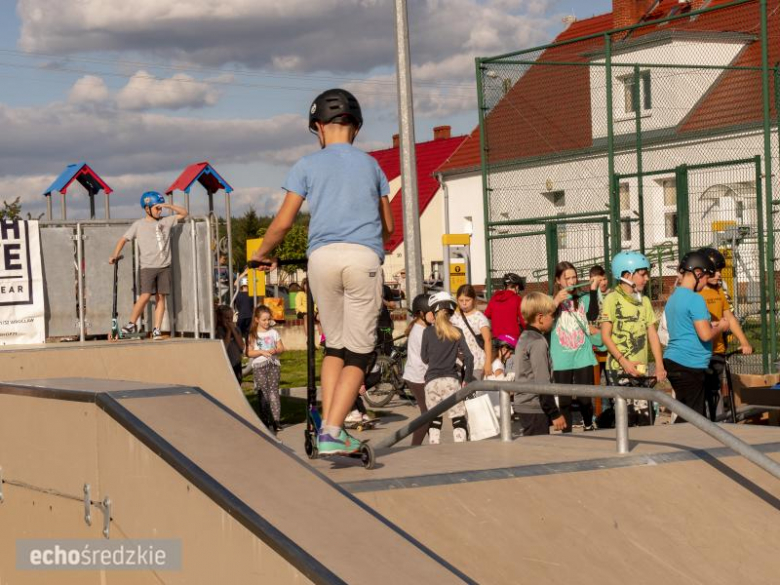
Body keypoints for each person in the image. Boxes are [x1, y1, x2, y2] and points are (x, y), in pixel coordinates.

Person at [250, 88, 393, 456]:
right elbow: (389, 225)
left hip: (322, 260)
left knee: (335, 348)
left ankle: (330, 424)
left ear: (318, 127)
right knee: (360, 355)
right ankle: (332, 429)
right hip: (362, 260)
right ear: (356, 128)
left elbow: (282, 223)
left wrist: (262, 254)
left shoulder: (306, 165)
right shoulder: (373, 166)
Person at [109, 191, 188, 339]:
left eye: (160, 208)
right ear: (147, 209)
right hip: (148, 267)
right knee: (145, 295)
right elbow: (123, 239)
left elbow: (184, 213)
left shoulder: (166, 221)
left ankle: (157, 329)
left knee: (161, 297)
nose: (160, 211)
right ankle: (131, 323)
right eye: (157, 208)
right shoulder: (139, 225)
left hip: (164, 266)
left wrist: (167, 205)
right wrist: (114, 254)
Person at [663, 251, 730, 420]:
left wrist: (709, 325)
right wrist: (721, 326)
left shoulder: (674, 297)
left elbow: (685, 326)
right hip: (689, 365)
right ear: (698, 273)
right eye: (706, 277)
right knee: (694, 419)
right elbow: (706, 336)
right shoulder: (696, 299)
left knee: (687, 413)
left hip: (674, 361)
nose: (706, 282)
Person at [697, 247, 753, 420]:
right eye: (716, 271)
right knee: (700, 393)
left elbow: (730, 318)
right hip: (699, 351)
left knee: (715, 391)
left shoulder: (719, 291)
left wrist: (744, 342)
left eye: (720, 271)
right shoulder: (695, 293)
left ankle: (715, 422)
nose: (719, 275)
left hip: (717, 349)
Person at [600, 252, 666, 390]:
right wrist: (624, 363)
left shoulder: (645, 301)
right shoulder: (612, 299)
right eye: (642, 274)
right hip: (618, 366)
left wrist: (659, 365)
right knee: (622, 411)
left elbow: (653, 335)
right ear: (627, 275)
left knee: (642, 411)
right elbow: (605, 336)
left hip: (640, 367)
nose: (647, 278)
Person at [550, 261, 600, 431]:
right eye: (567, 278)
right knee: (564, 400)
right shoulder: (551, 300)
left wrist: (593, 291)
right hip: (561, 356)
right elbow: (545, 319)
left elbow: (593, 314)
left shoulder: (582, 298)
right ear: (558, 280)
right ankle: (567, 432)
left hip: (582, 354)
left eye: (574, 277)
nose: (572, 281)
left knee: (584, 397)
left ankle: (588, 424)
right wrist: (556, 301)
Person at [421, 291, 474, 444]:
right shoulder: (457, 332)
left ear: (434, 312)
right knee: (458, 419)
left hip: (432, 382)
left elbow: (424, 358)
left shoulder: (427, 332)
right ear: (451, 312)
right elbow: (469, 357)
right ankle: (461, 450)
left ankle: (434, 450)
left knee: (434, 420)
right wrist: (467, 380)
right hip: (452, 381)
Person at [513, 292, 567, 436]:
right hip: (534, 405)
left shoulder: (525, 336)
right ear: (540, 318)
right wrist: (554, 413)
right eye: (551, 315)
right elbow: (542, 382)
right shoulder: (537, 342)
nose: (554, 318)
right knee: (537, 450)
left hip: (525, 403)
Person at [402, 293, 435, 445]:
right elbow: (426, 357)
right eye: (432, 312)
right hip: (418, 378)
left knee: (430, 412)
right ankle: (415, 446)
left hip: (417, 375)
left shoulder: (422, 328)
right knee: (427, 414)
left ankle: (432, 442)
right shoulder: (421, 332)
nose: (435, 315)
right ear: (421, 314)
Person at [246, 305, 285, 433]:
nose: (267, 322)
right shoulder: (253, 334)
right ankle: (265, 420)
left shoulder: (274, 332)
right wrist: (262, 352)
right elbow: (249, 353)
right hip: (259, 366)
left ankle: (276, 420)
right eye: (264, 320)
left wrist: (276, 350)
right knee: (263, 393)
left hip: (273, 365)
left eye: (268, 319)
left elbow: (281, 348)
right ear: (257, 320)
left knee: (274, 392)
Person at [451, 284, 493, 379]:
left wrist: (488, 363)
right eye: (461, 300)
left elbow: (488, 340)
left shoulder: (479, 317)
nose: (464, 303)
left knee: (474, 391)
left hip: (476, 363)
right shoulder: (454, 317)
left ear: (473, 299)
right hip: (458, 363)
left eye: (467, 300)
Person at [485, 272, 526, 340]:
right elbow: (523, 320)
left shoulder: (494, 298)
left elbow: (487, 314)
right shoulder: (517, 299)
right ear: (517, 287)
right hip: (512, 338)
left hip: (496, 337)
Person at [216, 304, 245, 381]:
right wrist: (229, 331)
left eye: (231, 318)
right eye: (226, 318)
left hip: (237, 363)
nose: (229, 320)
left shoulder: (236, 329)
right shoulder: (219, 332)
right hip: (226, 365)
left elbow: (242, 346)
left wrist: (233, 331)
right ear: (220, 318)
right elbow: (224, 348)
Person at [295, 278, 325, 345]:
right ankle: (309, 339)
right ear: (304, 285)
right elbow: (298, 306)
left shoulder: (313, 294)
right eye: (307, 285)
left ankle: (322, 339)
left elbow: (315, 304)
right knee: (306, 317)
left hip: (312, 311)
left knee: (320, 317)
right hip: (302, 312)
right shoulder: (300, 294)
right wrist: (309, 311)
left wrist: (314, 310)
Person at [376, 282, 397, 355]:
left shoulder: (385, 288)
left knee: (388, 347)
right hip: (368, 323)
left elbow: (393, 306)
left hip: (384, 322)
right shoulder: (364, 288)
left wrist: (382, 300)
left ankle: (389, 364)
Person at [233, 270, 254, 341]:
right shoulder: (252, 294)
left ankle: (242, 347)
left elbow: (235, 283)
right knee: (249, 335)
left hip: (241, 317)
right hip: (250, 316)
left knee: (239, 334)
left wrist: (244, 273)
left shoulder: (238, 293)